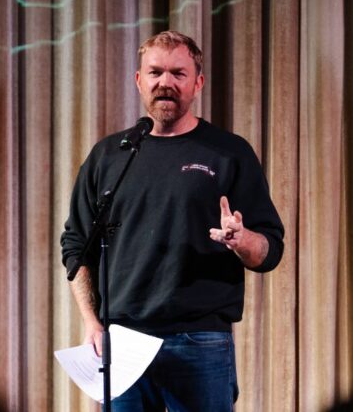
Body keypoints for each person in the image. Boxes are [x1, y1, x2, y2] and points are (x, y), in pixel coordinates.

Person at [60, 30, 284, 411]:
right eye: (156, 73)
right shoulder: (110, 156)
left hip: (200, 340)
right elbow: (76, 244)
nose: (166, 83)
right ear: (138, 80)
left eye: (178, 74)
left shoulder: (229, 152)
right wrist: (92, 323)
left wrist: (241, 239)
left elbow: (269, 251)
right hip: (124, 341)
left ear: (197, 83)